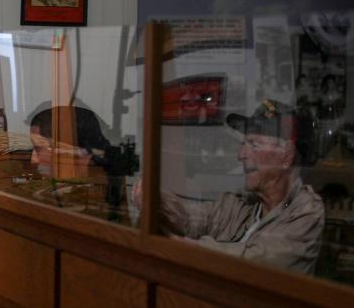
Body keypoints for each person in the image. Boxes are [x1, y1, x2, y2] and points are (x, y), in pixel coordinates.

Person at [134, 99, 325, 274]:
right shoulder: (246, 206)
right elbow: (195, 217)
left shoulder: (306, 211)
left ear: (286, 156)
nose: (241, 155)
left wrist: (178, 246)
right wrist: (158, 201)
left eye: (253, 144)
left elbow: (255, 264)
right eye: (243, 144)